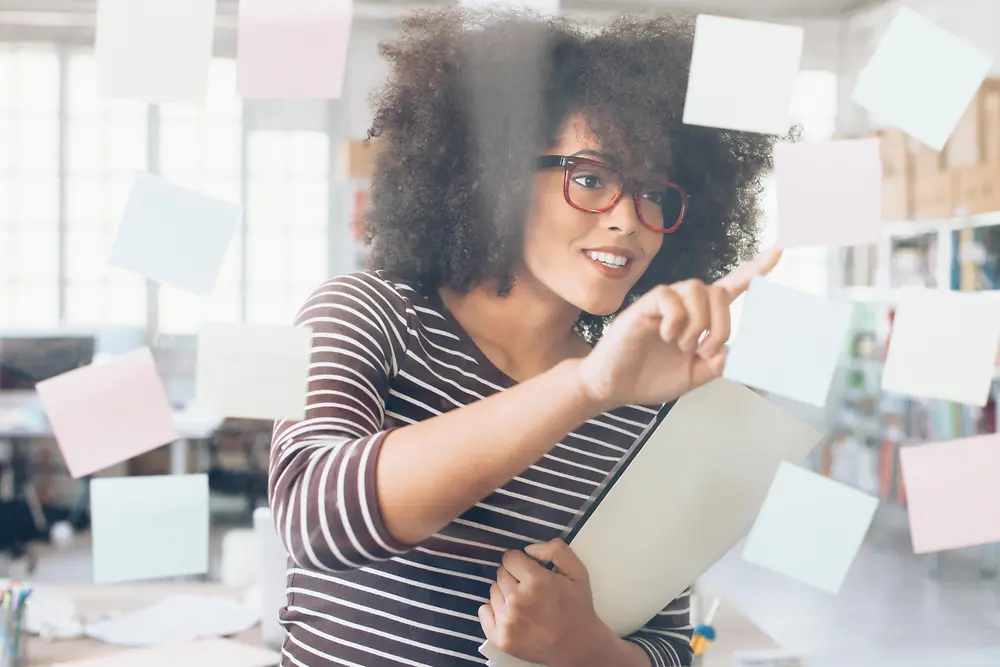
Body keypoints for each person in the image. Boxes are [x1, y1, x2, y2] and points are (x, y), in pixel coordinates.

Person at [269, 9, 783, 667]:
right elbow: (313, 519)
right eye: (591, 177)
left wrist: (591, 651)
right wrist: (585, 387)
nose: (629, 220)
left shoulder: (642, 402)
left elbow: (670, 642)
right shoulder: (364, 314)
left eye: (653, 193)